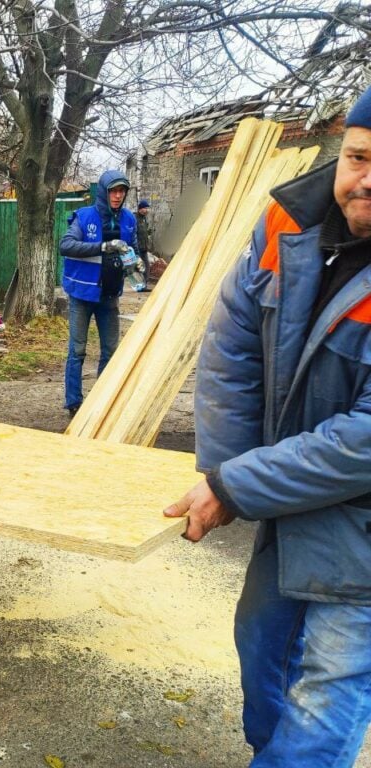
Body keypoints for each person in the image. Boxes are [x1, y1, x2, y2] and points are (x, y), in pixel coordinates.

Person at [164, 85, 371, 767]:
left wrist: (239, 483)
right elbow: (233, 345)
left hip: (364, 525)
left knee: (323, 706)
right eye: (359, 157)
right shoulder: (288, 224)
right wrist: (224, 475)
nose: (365, 181)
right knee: (262, 661)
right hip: (288, 502)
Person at [59, 170, 137, 416]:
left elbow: (133, 249)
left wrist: (134, 263)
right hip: (82, 295)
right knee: (77, 350)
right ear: (104, 192)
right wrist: (103, 247)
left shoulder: (128, 220)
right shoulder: (84, 217)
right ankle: (73, 402)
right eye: (113, 191)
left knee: (111, 351)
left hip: (109, 295)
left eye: (121, 191)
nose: (117, 196)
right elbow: (66, 245)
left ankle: (101, 402)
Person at [135, 199, 152, 284]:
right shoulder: (135, 219)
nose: (147, 210)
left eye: (147, 208)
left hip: (144, 248)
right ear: (140, 209)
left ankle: (143, 284)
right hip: (137, 248)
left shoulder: (144, 219)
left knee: (146, 266)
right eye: (145, 208)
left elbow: (144, 233)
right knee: (138, 267)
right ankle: (140, 284)